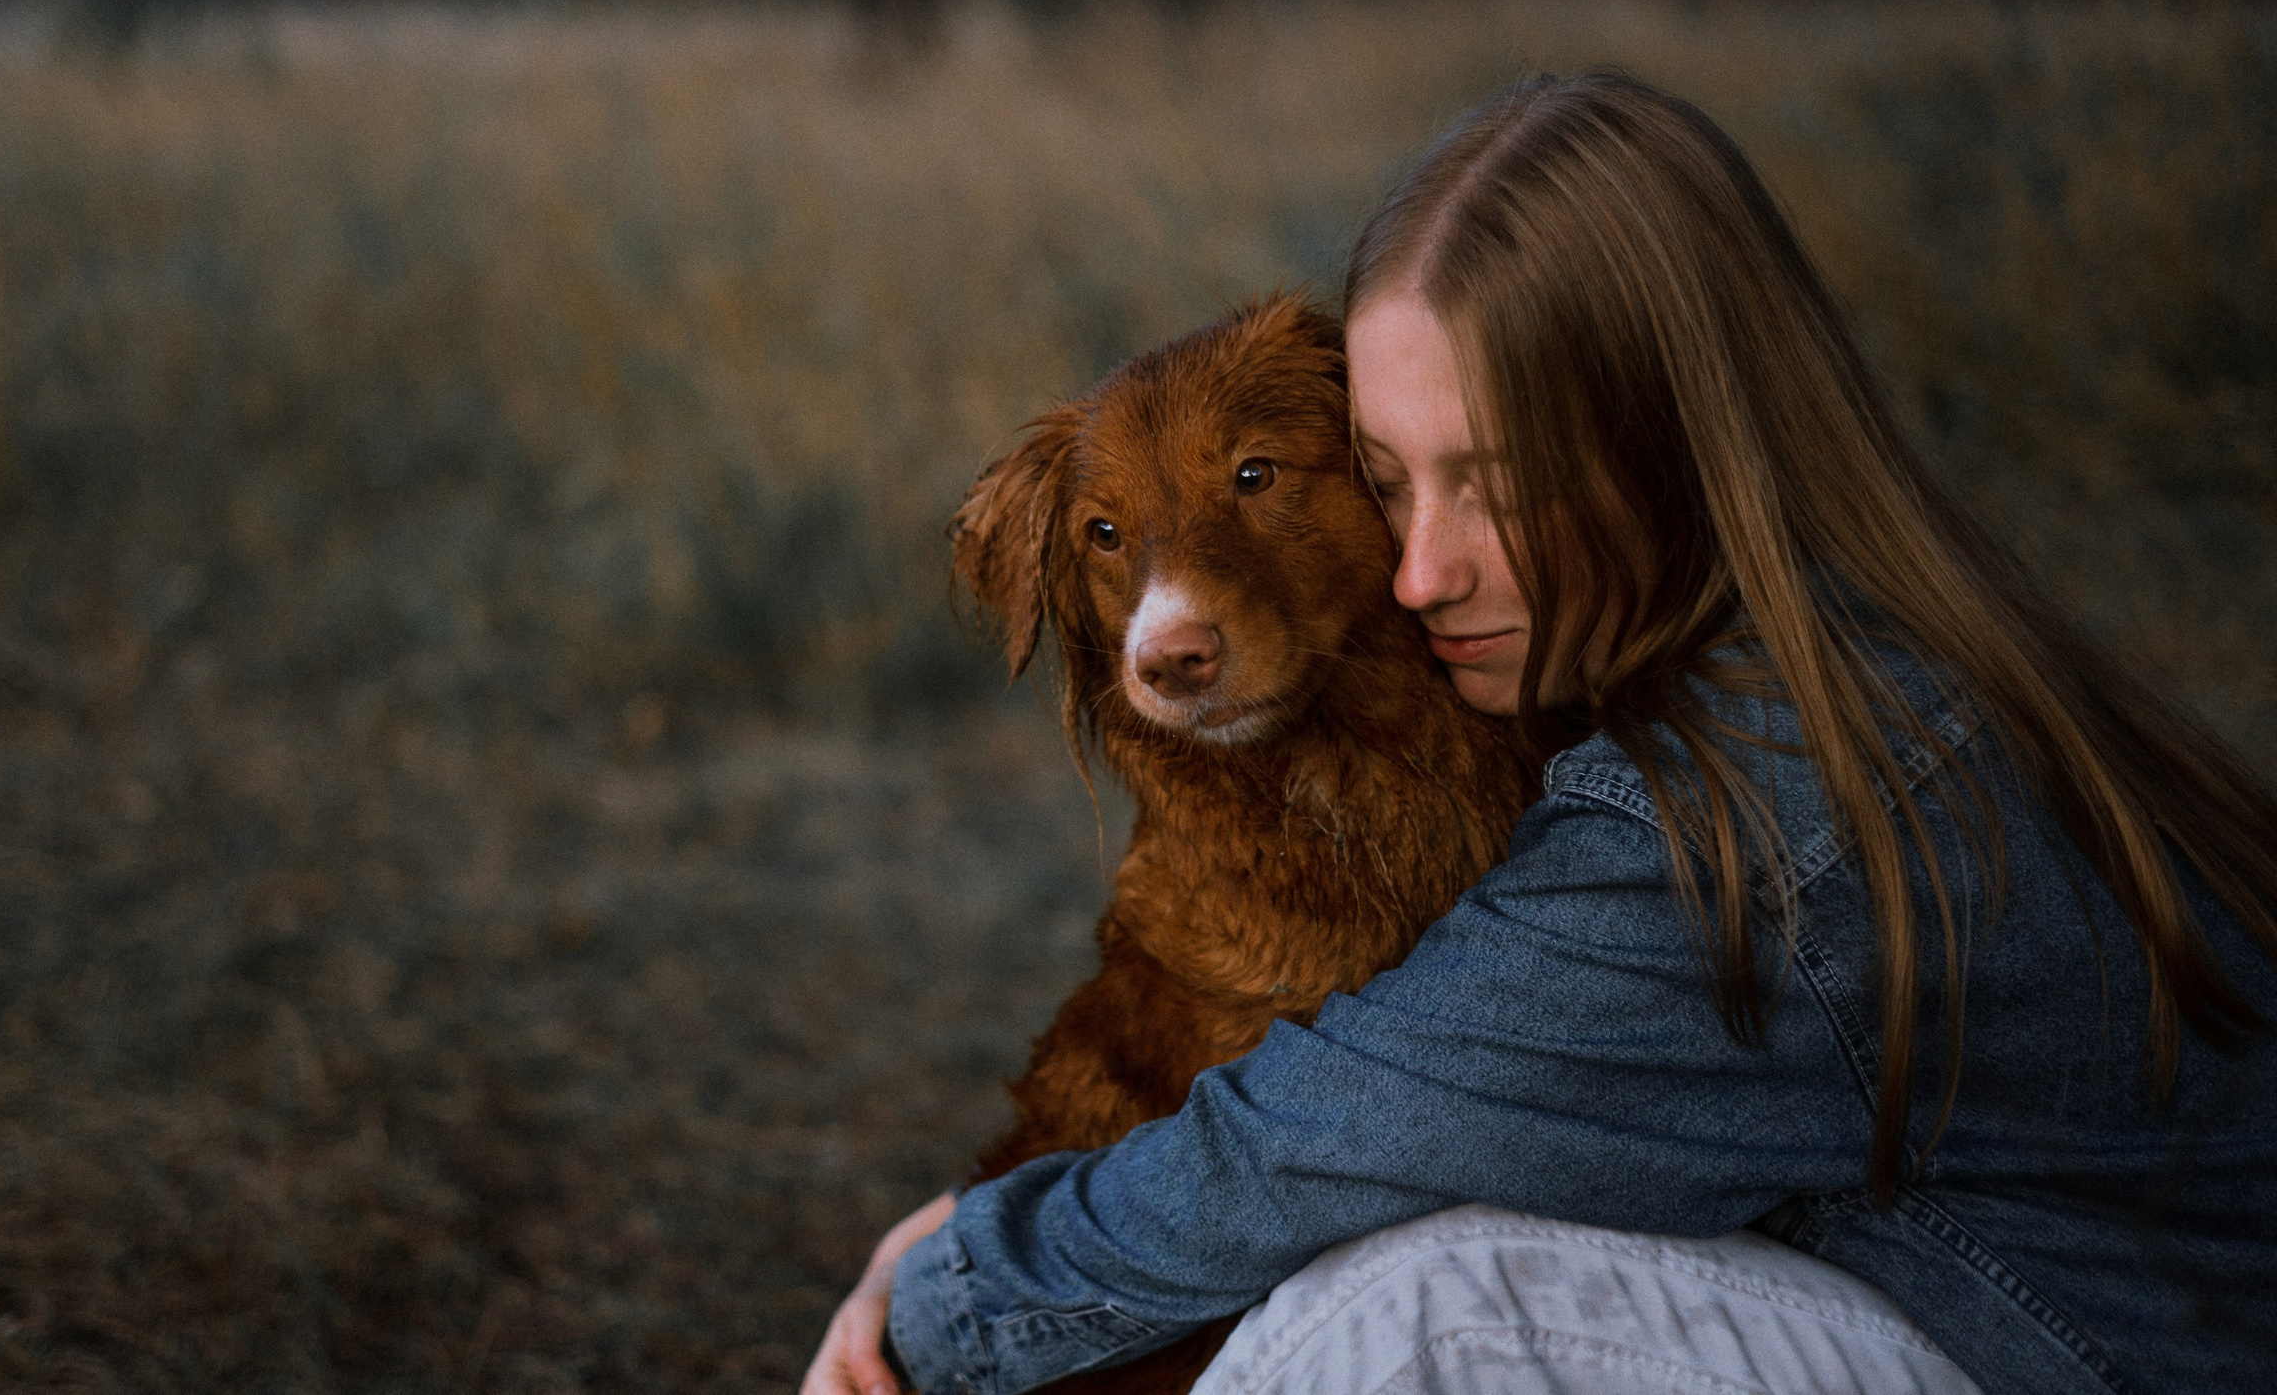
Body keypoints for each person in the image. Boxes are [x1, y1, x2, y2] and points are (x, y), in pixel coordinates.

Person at [801, 71, 2277, 1395]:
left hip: (2104, 1355)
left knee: (1407, 1312)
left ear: (1688, 438)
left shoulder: (1758, 800)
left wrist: (937, 1308)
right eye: (1386, 482)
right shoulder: (1860, 644)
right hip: (2039, 1315)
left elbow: (1342, 1133)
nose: (1423, 569)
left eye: (1494, 482)